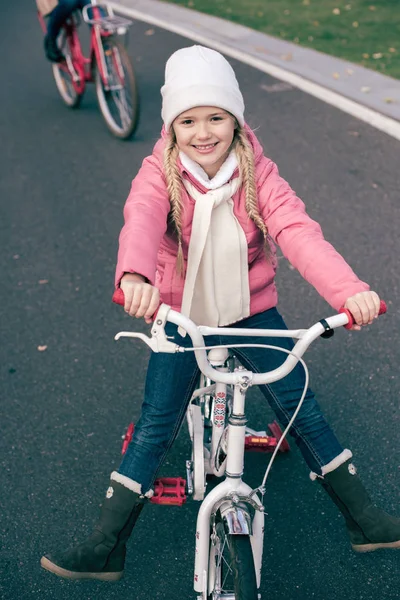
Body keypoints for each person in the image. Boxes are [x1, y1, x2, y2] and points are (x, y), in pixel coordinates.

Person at [40, 45, 400, 581]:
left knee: (302, 407)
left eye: (216, 117)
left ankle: (365, 521)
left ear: (235, 119)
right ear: (172, 127)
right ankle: (106, 544)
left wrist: (349, 292)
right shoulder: (159, 172)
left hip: (249, 308)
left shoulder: (259, 172)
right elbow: (140, 218)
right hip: (182, 312)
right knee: (156, 423)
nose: (203, 132)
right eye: (188, 120)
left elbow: (298, 232)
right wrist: (134, 277)